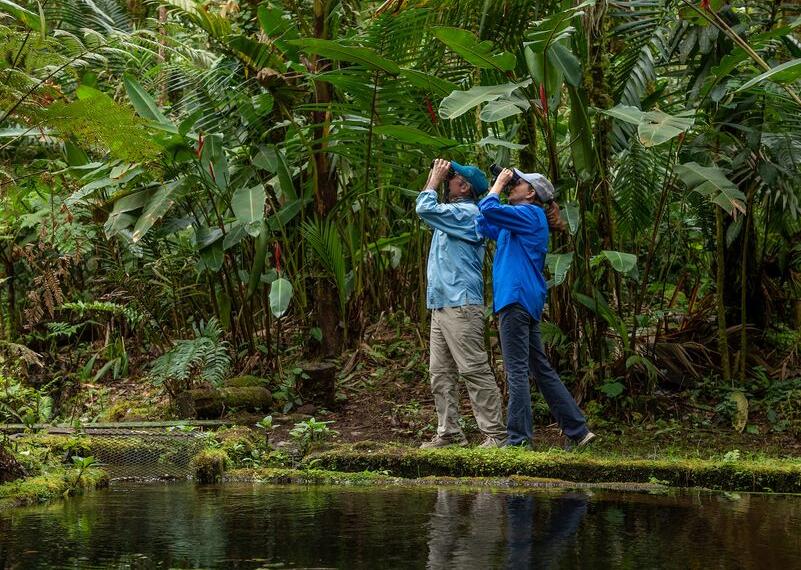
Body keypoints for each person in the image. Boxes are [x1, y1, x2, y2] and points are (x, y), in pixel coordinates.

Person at [477, 167, 595, 449]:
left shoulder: (530, 214)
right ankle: (578, 431)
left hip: (515, 299)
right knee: (540, 369)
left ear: (530, 193)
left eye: (517, 183)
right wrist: (498, 189)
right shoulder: (520, 219)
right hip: (523, 300)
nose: (511, 186)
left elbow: (488, 208)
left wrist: (499, 183)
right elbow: (484, 222)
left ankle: (518, 440)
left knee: (516, 370)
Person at [415, 158, 507, 449]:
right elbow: (429, 209)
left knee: (473, 369)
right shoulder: (449, 214)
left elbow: (423, 207)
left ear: (464, 187)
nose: (444, 179)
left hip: (462, 304)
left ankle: (496, 435)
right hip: (442, 303)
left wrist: (433, 180)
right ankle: (450, 432)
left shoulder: (469, 213)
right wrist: (435, 180)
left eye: (451, 178)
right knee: (440, 373)